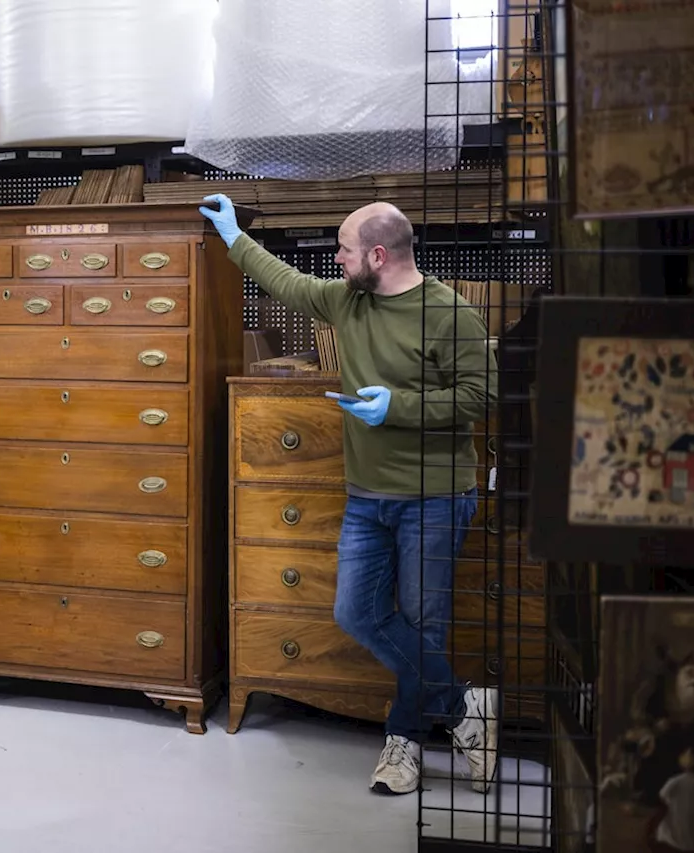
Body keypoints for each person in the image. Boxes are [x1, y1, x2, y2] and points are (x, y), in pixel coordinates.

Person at [201, 193, 500, 796]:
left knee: (424, 624)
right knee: (355, 612)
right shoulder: (348, 301)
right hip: (368, 497)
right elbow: (285, 282)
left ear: (379, 254)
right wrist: (233, 236)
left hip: (434, 496)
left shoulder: (449, 313)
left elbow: (483, 396)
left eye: (344, 249)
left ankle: (404, 745)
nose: (335, 260)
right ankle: (469, 708)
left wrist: (400, 408)